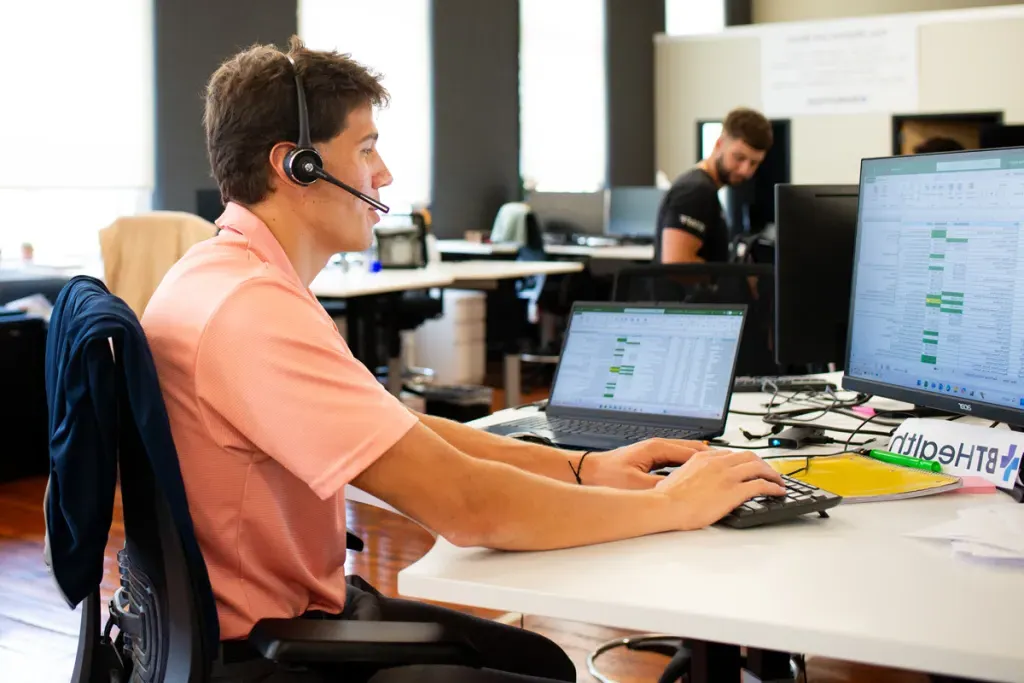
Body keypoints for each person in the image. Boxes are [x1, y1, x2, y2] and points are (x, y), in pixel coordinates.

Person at [141, 37, 785, 683]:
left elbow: (406, 431)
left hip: (260, 625)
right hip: (264, 653)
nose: (384, 173)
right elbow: (471, 508)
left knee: (538, 657)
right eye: (366, 149)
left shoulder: (225, 274)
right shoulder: (253, 310)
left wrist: (585, 467)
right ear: (299, 166)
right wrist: (674, 504)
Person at [655, 107, 773, 264]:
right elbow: (677, 263)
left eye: (754, 163)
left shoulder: (706, 188)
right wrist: (730, 279)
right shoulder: (696, 190)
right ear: (719, 144)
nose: (745, 171)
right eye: (739, 158)